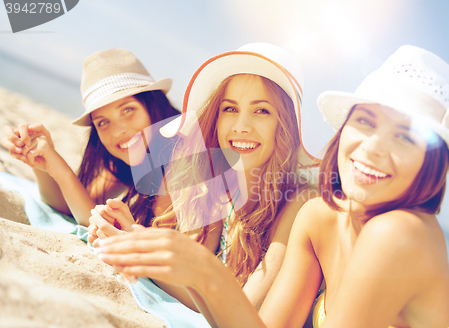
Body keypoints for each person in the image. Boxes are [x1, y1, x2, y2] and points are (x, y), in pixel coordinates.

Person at [94, 45, 449, 328]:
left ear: (435, 163)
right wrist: (182, 263)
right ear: (344, 131)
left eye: (406, 136)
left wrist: (204, 272)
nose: (373, 147)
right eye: (366, 122)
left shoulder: (402, 232)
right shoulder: (320, 216)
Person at [91, 43, 320, 312]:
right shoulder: (218, 184)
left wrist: (138, 250)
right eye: (230, 109)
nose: (241, 126)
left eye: (262, 111)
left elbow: (245, 310)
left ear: (286, 127)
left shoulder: (301, 202)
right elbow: (193, 291)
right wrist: (129, 239)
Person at [1, 49, 180, 243]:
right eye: (103, 122)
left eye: (128, 110)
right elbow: (75, 209)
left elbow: (164, 253)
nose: (117, 131)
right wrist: (44, 163)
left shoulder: (182, 159)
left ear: (153, 105)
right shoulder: (129, 160)